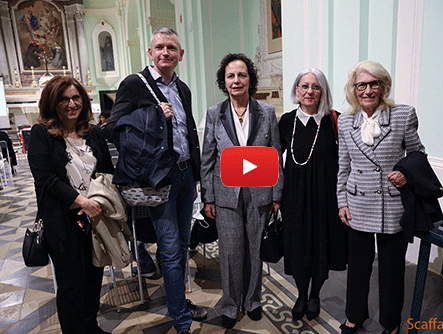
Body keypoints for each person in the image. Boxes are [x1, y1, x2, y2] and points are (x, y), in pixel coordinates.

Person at [105, 27, 203, 334]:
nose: (165, 52)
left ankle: (178, 302)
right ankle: (181, 320)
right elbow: (111, 127)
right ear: (150, 52)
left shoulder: (183, 88)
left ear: (180, 55)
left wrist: (197, 175)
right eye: (159, 47)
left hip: (186, 175)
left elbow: (188, 133)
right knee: (171, 249)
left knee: (183, 246)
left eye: (171, 48)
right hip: (160, 180)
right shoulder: (135, 84)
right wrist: (151, 114)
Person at [337, 60, 425, 334]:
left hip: (390, 203)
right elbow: (344, 165)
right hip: (357, 202)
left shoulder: (402, 115)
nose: (367, 90)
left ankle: (390, 323)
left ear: (383, 86)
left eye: (373, 83)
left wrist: (405, 173)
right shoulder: (346, 120)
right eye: (361, 85)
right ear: (353, 89)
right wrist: (341, 201)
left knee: (391, 270)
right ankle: (354, 316)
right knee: (358, 268)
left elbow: (417, 155)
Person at [200, 53, 283, 329]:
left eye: (242, 75)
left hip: (260, 193)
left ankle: (254, 301)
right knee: (231, 252)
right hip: (226, 196)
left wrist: (277, 194)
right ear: (224, 82)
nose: (237, 80)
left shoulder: (267, 112)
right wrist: (208, 197)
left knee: (255, 251)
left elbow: (275, 155)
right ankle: (230, 303)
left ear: (250, 79)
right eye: (231, 76)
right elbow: (208, 159)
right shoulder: (215, 113)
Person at [28, 76, 114, 334]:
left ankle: (91, 325)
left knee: (93, 277)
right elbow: (45, 180)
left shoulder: (94, 132)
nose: (71, 104)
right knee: (71, 284)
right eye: (64, 99)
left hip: (93, 218)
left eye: (76, 98)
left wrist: (95, 203)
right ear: (52, 103)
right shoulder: (42, 134)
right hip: (62, 221)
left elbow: (107, 172)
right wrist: (81, 202)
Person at [278, 68, 347, 321]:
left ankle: (315, 294)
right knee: (298, 248)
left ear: (323, 91)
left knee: (322, 248)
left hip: (326, 199)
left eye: (315, 87)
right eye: (304, 86)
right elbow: (274, 159)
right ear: (296, 90)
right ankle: (301, 294)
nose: (310, 91)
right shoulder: (287, 121)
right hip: (294, 198)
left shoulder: (335, 120)